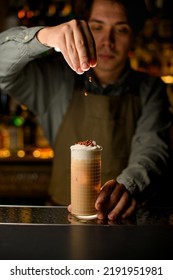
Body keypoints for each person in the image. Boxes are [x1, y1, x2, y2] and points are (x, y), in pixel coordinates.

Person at [0, 0, 171, 220]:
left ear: (134, 36)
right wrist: (44, 37)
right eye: (97, 27)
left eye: (121, 29)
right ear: (84, 30)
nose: (107, 41)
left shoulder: (151, 89)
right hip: (62, 220)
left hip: (125, 221)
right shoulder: (54, 82)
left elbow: (153, 149)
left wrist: (129, 186)